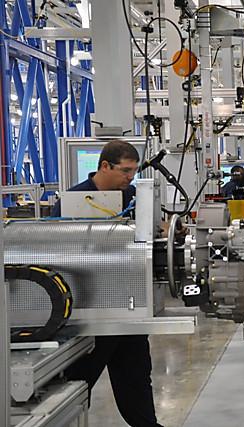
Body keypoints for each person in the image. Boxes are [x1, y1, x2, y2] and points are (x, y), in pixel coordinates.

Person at [52, 140, 164, 427]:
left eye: (134, 171)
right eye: (125, 171)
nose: (130, 177)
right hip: (89, 308)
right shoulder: (73, 200)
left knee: (136, 376)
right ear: (104, 166)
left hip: (128, 304)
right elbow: (55, 250)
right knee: (80, 379)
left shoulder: (134, 199)